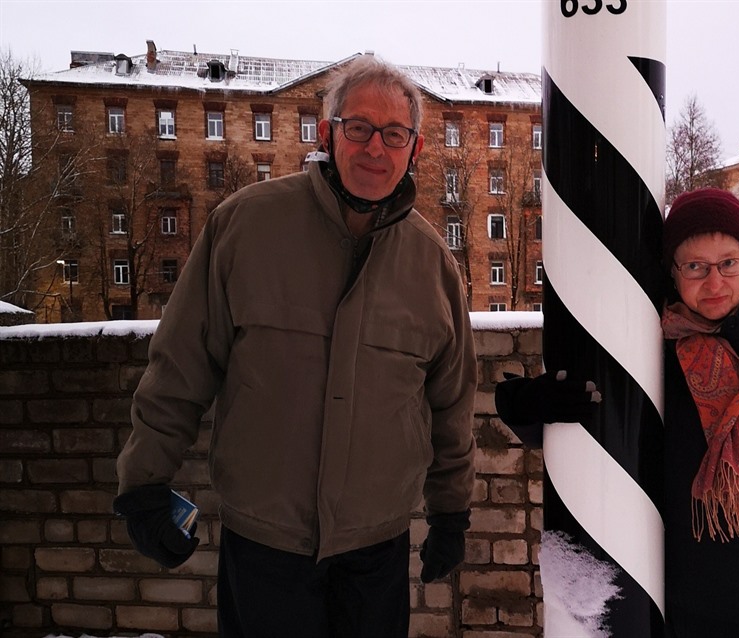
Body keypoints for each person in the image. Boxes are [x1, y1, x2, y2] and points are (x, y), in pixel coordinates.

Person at [114, 55, 477, 637]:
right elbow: (180, 366)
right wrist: (144, 484)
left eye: (394, 134)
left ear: (417, 148)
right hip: (265, 547)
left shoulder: (432, 262)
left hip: (374, 548)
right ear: (328, 133)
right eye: (358, 128)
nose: (374, 149)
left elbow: (451, 400)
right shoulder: (245, 227)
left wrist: (451, 511)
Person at [496, 188, 739, 637]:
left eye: (729, 263)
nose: (715, 282)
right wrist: (528, 405)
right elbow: (588, 417)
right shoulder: (646, 353)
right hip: (695, 599)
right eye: (695, 267)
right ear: (672, 272)